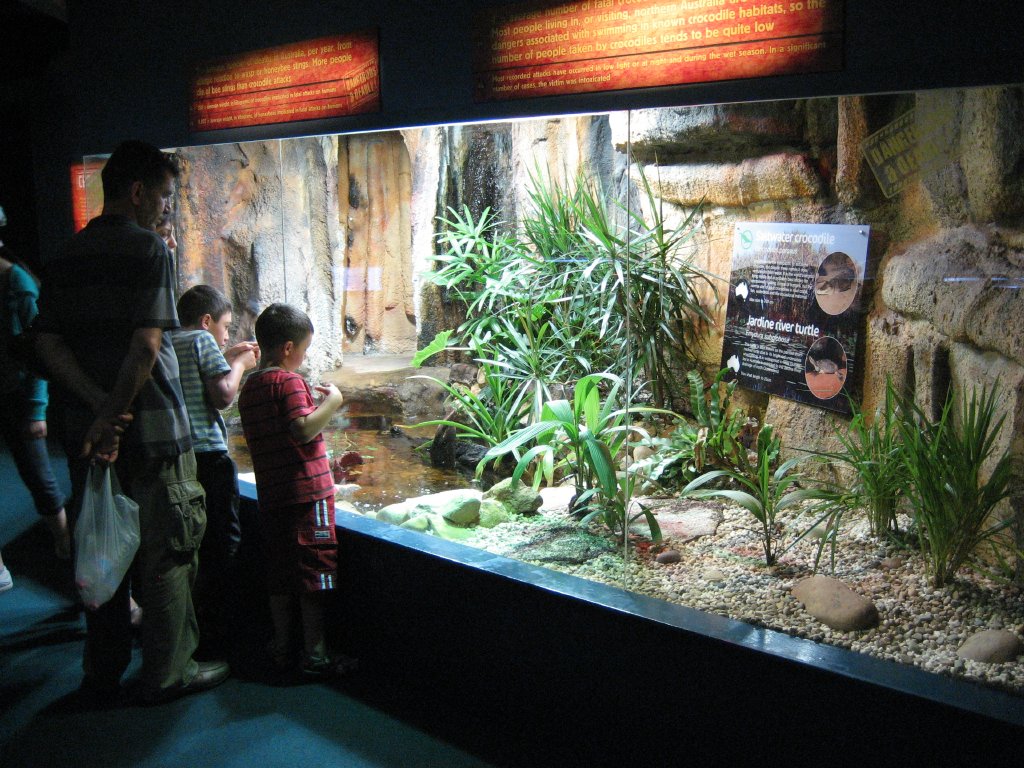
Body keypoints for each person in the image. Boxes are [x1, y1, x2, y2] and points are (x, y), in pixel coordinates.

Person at [33, 140, 229, 705]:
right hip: (154, 430)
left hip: (88, 433)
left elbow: (48, 343)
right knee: (169, 549)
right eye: (165, 198)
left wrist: (97, 410)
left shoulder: (66, 255)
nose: (167, 209)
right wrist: (118, 412)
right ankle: (169, 670)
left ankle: (104, 668)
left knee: (102, 549)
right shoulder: (149, 251)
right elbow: (146, 347)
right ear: (138, 192)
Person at [238, 303, 351, 677]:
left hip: (274, 496)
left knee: (280, 574)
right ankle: (316, 656)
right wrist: (332, 402)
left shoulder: (250, 385)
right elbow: (302, 429)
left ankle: (282, 647)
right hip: (309, 498)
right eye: (304, 348)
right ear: (288, 348)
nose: (304, 357)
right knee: (314, 573)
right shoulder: (289, 382)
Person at [171, 284, 259, 657]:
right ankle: (224, 629)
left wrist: (225, 354)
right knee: (224, 539)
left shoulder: (173, 340)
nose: (226, 334)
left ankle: (196, 622)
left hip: (182, 455)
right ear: (206, 321)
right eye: (224, 326)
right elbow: (222, 396)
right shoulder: (202, 342)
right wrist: (238, 365)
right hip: (209, 454)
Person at [0, 205, 71, 577]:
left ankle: (69, 554)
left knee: (40, 478)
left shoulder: (17, 284)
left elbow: (39, 348)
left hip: (18, 396)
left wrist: (37, 408)